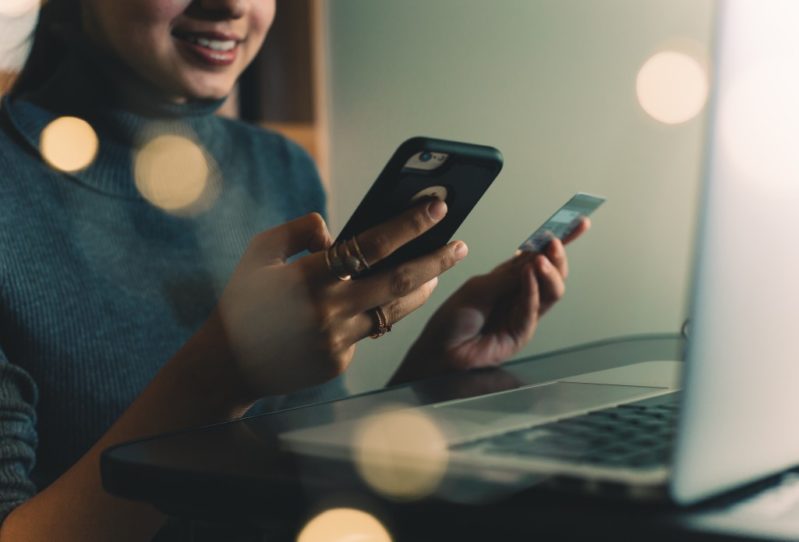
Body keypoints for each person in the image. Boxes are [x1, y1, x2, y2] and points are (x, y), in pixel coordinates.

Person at [0, 0, 589, 540]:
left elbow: (312, 472)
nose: (232, 6)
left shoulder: (278, 169)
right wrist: (221, 373)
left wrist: (432, 376)